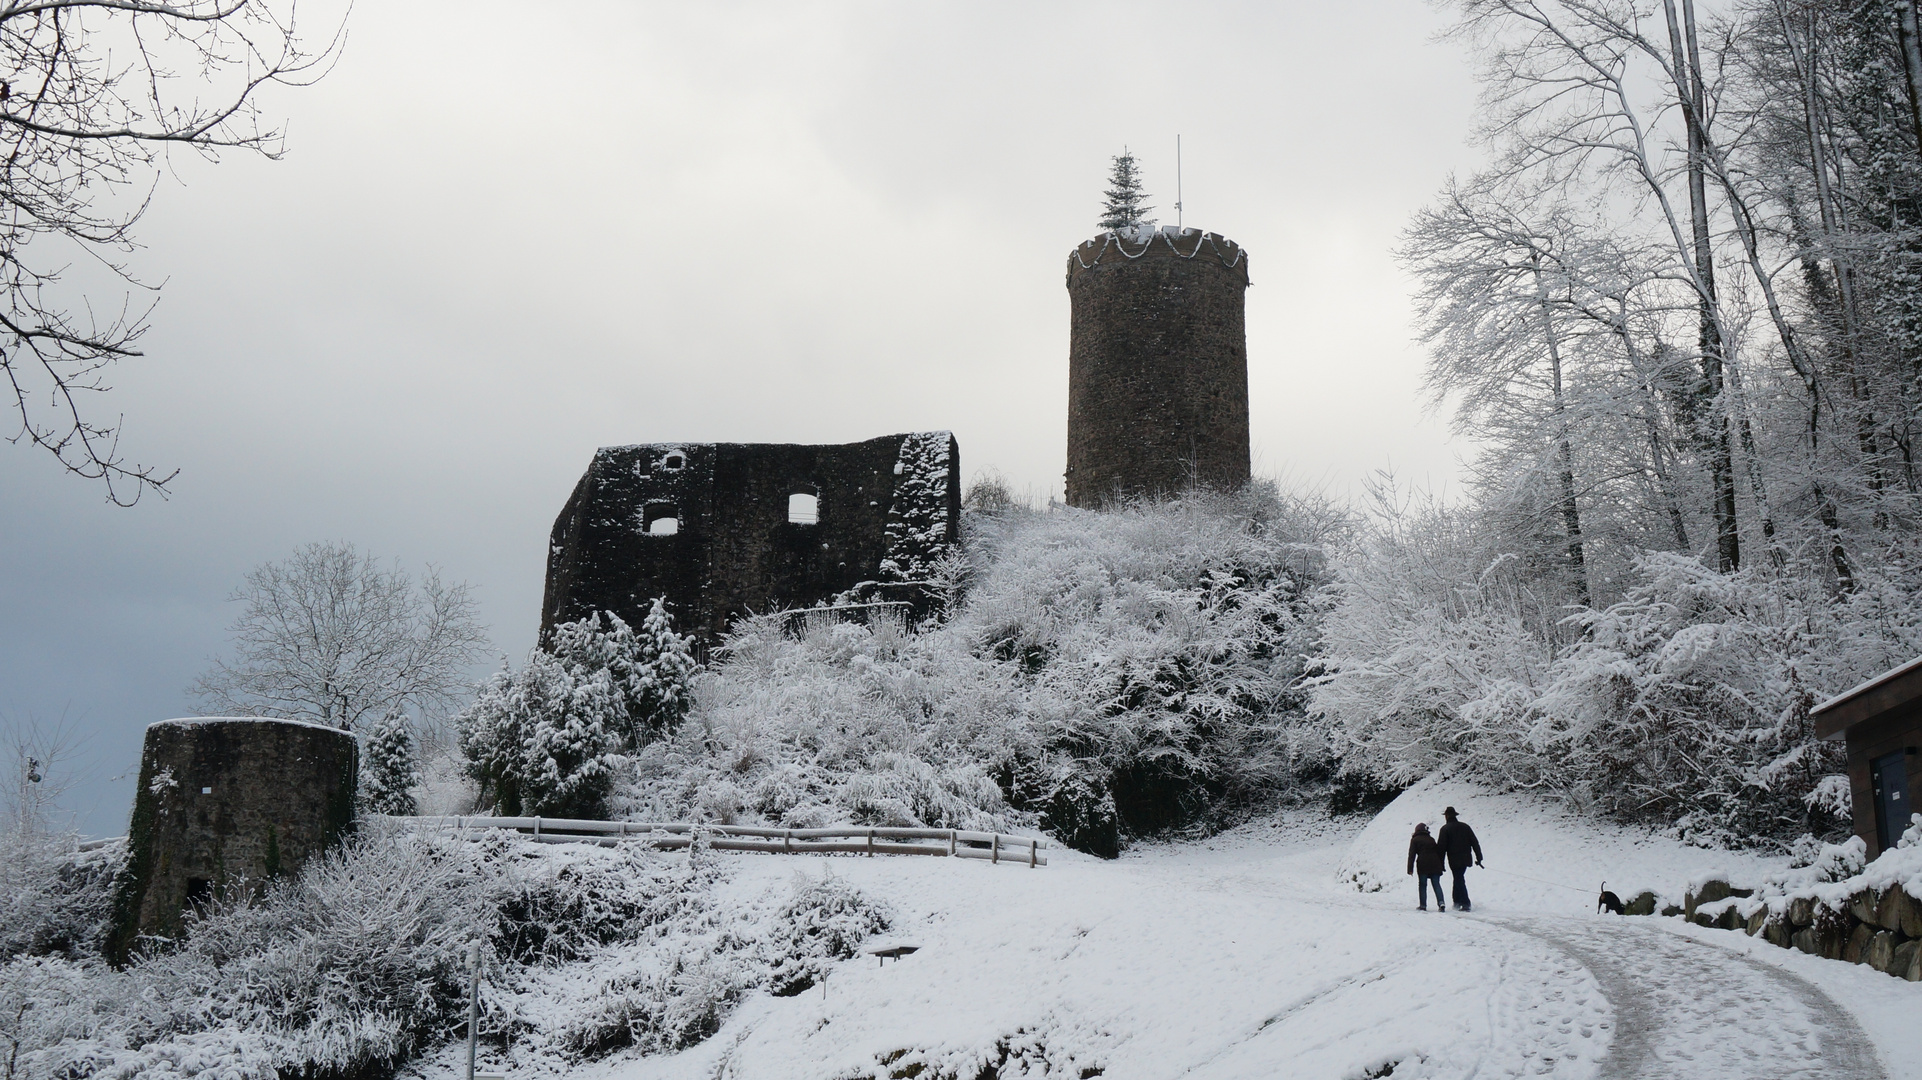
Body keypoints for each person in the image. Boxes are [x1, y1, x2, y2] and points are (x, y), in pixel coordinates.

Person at [1436, 806, 1483, 912]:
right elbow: (1474, 842)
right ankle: (1457, 901)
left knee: (1459, 878)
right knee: (1458, 877)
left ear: (1446, 816)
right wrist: (1479, 857)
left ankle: (1465, 903)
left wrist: (1441, 864)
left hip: (1453, 859)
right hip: (1466, 858)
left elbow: (1441, 848)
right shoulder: (1465, 827)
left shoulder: (1445, 829)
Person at [1405, 822, 1445, 911]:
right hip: (1435, 864)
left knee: (1423, 885)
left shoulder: (1415, 840)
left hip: (1423, 864)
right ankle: (1441, 902)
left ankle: (1423, 905)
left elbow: (1411, 855)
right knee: (1436, 884)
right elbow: (1438, 852)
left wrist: (1410, 869)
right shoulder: (1431, 839)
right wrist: (1441, 865)